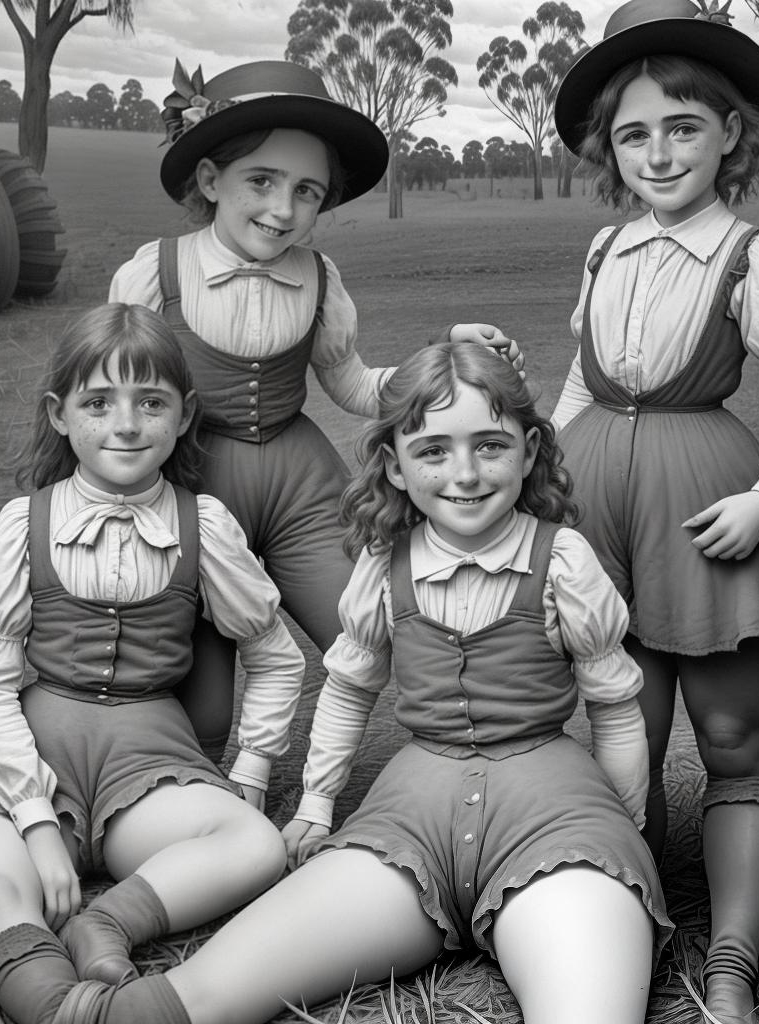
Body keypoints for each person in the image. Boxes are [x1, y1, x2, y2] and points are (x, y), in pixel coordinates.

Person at [44, 340, 673, 1024]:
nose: (464, 473)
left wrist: (624, 827)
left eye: (489, 446)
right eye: (433, 450)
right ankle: (74, 993)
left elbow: (614, 706)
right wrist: (316, 805)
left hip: (553, 816)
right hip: (409, 819)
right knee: (200, 995)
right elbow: (348, 689)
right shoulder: (385, 564)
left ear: (528, 450)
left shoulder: (563, 562)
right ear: (395, 467)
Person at [549, 2, 759, 1021]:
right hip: (595, 511)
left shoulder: (750, 252)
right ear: (608, 148)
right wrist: (540, 486)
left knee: (728, 731)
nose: (658, 152)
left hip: (709, 504)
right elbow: (583, 386)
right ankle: (619, 936)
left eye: (683, 126)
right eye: (634, 133)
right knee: (618, 722)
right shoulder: (605, 250)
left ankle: (728, 960)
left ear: (731, 132)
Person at [110, 59, 522, 762]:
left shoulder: (320, 277)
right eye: (261, 182)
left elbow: (356, 386)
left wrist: (442, 355)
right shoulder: (155, 271)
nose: (283, 210)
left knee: (367, 628)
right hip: (191, 486)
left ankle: (449, 772)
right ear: (210, 180)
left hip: (301, 482)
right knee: (200, 691)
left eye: (307, 191)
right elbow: (116, 396)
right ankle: (197, 802)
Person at [0, 303, 307, 1024]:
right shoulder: (27, 522)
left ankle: (109, 924)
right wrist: (36, 822)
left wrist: (251, 774)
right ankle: (49, 999)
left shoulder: (205, 526)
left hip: (148, 768)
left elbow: (274, 654)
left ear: (184, 414)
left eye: (151, 403)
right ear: (61, 414)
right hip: (34, 762)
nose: (127, 425)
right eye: (99, 403)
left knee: (254, 844)